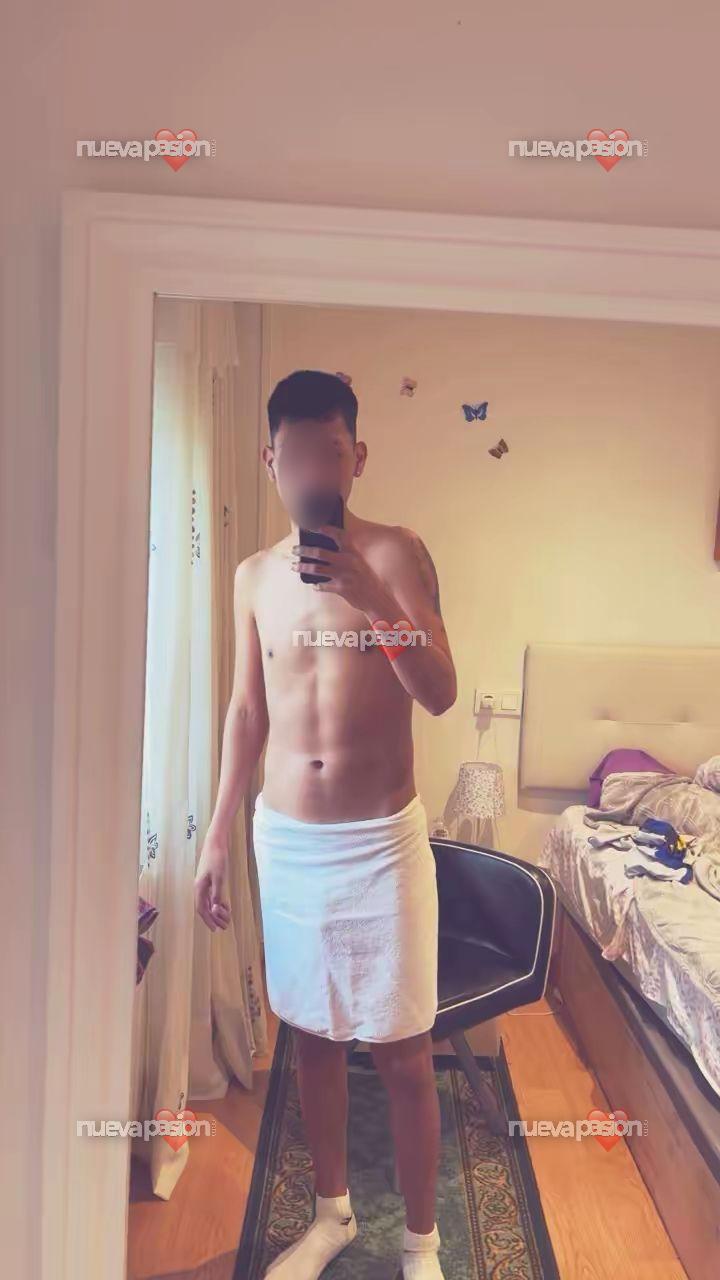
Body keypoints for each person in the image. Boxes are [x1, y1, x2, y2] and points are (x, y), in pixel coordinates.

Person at [194, 369, 457, 1279]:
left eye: (331, 453)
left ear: (358, 458)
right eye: (297, 454)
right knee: (311, 1036)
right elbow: (246, 710)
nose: (314, 470)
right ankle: (333, 1215)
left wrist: (373, 600)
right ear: (270, 460)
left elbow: (439, 690)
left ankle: (421, 1244)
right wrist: (217, 831)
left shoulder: (398, 553)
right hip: (289, 844)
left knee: (405, 1053)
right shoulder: (252, 576)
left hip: (381, 845)